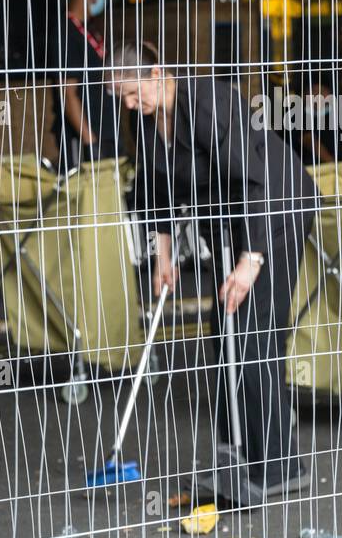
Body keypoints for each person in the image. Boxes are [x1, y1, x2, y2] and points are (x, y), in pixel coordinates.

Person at [108, 41, 319, 502]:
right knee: (221, 326)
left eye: (131, 92)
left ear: (157, 72)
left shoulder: (211, 102)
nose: (128, 104)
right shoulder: (147, 123)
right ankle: (234, 458)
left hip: (275, 213)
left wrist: (251, 262)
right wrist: (163, 257)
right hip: (228, 223)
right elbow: (155, 188)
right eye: (120, 97)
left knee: (253, 332)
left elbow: (253, 181)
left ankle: (280, 466)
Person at [54, 0, 121, 169]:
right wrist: (90, 141)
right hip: (86, 138)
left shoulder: (90, 28)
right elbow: (68, 93)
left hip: (107, 131)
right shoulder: (67, 33)